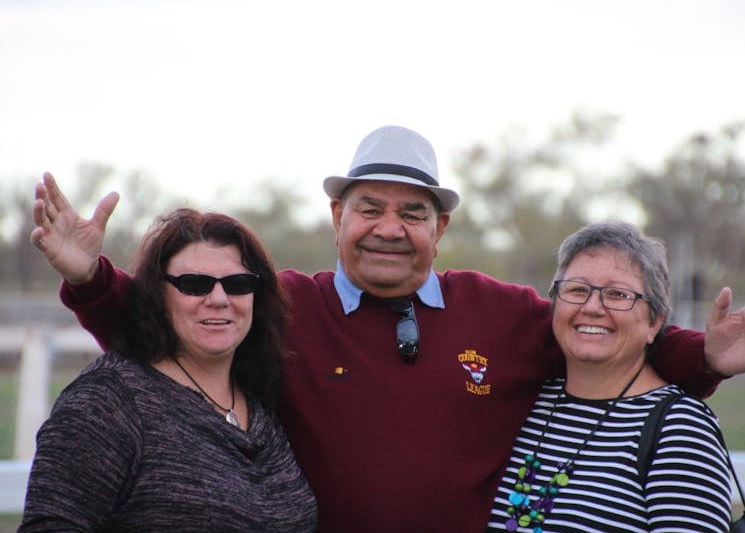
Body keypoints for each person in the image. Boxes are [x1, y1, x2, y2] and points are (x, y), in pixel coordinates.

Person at [30, 126, 745, 533]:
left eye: (412, 213)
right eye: (369, 207)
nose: (388, 229)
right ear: (338, 219)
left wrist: (702, 354)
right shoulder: (277, 306)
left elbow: (599, 332)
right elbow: (177, 321)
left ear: (440, 227)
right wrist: (92, 278)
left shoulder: (502, 310)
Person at [20, 208, 318, 532]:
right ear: (158, 295)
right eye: (194, 284)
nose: (219, 299)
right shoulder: (109, 400)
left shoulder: (261, 400)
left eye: (237, 283)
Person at [486, 221, 732, 532]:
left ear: (655, 322)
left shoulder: (679, 428)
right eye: (577, 290)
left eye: (617, 295)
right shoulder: (525, 402)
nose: (592, 307)